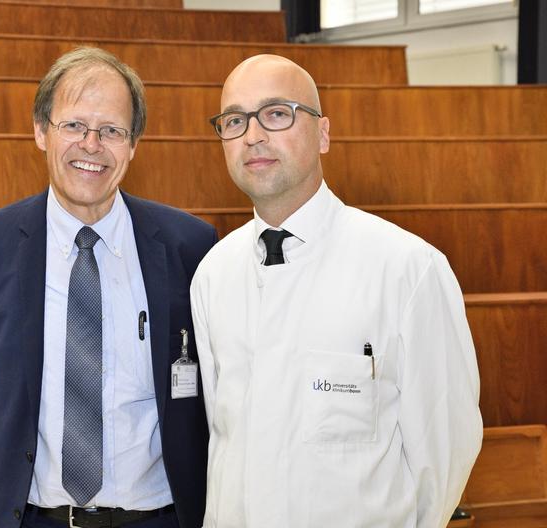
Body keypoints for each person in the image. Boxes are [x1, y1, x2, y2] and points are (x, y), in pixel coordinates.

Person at [190, 54, 483, 527]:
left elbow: (444, 452)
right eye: (234, 120)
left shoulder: (408, 269)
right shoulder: (213, 274)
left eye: (277, 113)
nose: (253, 135)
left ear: (323, 133)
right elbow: (223, 440)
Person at [0, 47, 216, 528]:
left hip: (160, 517)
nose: (91, 145)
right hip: (32, 517)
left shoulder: (190, 246)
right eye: (73, 125)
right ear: (40, 131)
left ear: (133, 144)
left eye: (112, 130)